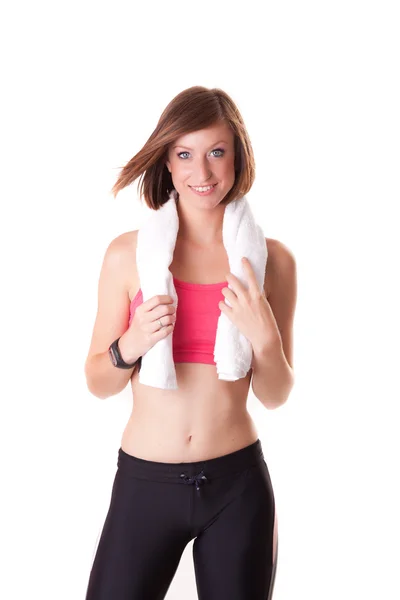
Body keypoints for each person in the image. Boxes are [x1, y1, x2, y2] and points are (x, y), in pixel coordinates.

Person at [84, 85, 297, 600]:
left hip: (237, 485)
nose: (201, 173)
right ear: (167, 161)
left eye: (216, 152)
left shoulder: (272, 262)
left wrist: (265, 338)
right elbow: (97, 382)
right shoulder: (127, 256)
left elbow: (274, 394)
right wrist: (129, 344)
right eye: (185, 154)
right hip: (145, 485)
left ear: (237, 157)